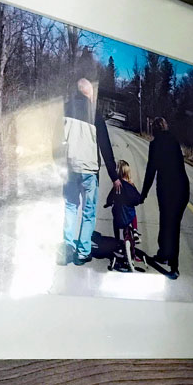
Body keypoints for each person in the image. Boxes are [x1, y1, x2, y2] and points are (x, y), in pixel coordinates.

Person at [60, 78, 121, 266]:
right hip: (89, 171)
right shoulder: (95, 116)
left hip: (70, 169)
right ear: (88, 93)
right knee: (88, 212)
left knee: (70, 206)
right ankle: (83, 252)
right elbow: (106, 148)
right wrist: (114, 177)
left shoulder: (65, 110)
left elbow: (56, 141)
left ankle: (68, 247)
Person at [140, 117, 190, 280]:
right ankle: (163, 254)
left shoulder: (155, 145)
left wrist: (143, 194)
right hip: (183, 189)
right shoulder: (174, 141)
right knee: (169, 223)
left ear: (154, 129)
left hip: (168, 190)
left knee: (170, 226)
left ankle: (174, 266)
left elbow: (150, 170)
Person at [103, 160, 144, 273]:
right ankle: (134, 231)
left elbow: (110, 198)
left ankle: (117, 240)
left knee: (115, 219)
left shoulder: (116, 185)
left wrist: (108, 203)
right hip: (129, 217)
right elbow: (137, 199)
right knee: (133, 211)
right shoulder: (131, 185)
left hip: (119, 218)